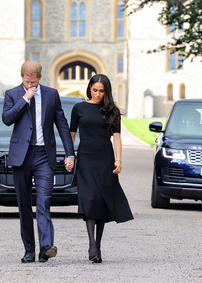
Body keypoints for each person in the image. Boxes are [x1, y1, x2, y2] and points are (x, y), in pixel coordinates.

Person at [2, 61, 75, 263]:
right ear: (21, 78)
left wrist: (70, 153)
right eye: (26, 81)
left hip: (44, 155)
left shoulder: (51, 94)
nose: (30, 85)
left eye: (33, 82)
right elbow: (7, 119)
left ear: (40, 78)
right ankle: (29, 250)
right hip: (21, 156)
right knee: (24, 204)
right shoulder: (13, 94)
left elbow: (62, 124)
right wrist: (25, 98)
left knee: (44, 201)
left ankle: (46, 246)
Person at [69, 74, 133, 263]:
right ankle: (92, 245)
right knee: (89, 198)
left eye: (101, 91)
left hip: (105, 158)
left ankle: (98, 245)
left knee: (101, 201)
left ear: (107, 91)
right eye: (94, 90)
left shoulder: (112, 110)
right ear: (89, 88)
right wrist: (69, 155)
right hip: (86, 158)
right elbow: (71, 134)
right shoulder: (78, 108)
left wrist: (119, 160)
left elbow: (117, 137)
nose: (97, 94)